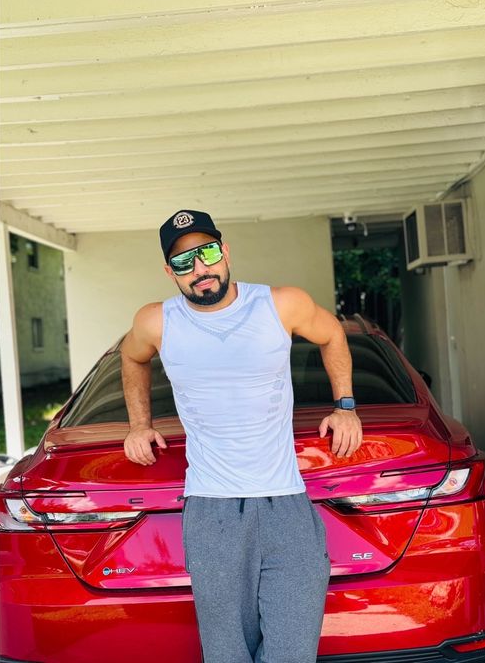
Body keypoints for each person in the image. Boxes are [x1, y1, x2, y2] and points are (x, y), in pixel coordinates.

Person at [121, 209, 363, 663]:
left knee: (292, 652)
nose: (200, 268)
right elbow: (132, 357)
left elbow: (332, 334)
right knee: (227, 654)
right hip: (212, 510)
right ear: (170, 272)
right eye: (183, 262)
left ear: (225, 251)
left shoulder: (280, 304)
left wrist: (345, 406)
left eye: (207, 253)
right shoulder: (157, 321)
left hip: (286, 504)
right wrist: (139, 424)